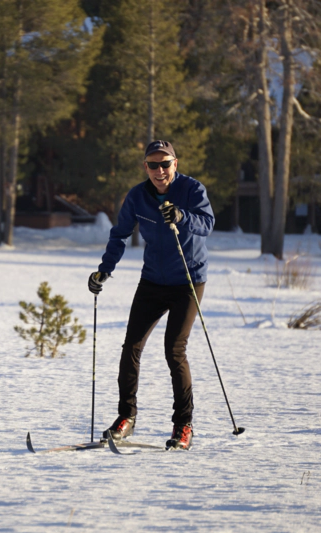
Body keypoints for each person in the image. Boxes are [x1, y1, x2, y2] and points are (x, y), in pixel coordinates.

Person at [87, 140, 214, 450]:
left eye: (165, 164)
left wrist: (182, 216)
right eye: (153, 165)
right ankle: (126, 418)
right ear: (145, 167)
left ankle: (183, 425)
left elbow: (207, 224)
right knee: (131, 346)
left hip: (188, 280)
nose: (160, 171)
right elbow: (120, 234)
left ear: (175, 163)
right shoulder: (137, 196)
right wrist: (104, 270)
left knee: (174, 350)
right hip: (153, 280)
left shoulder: (192, 190)